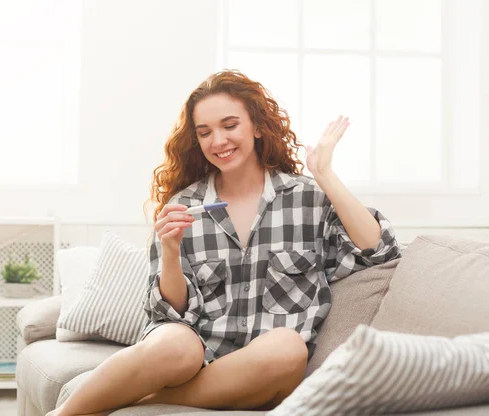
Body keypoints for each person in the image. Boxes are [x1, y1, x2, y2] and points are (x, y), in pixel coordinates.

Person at [47, 70, 401, 416]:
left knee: (287, 347)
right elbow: (169, 313)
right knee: (177, 343)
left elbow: (380, 252)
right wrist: (170, 253)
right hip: (195, 357)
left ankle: (128, 402)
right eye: (205, 133)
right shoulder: (184, 205)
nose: (218, 141)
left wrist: (324, 174)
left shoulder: (307, 198)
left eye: (230, 126)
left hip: (268, 368)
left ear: (258, 127)